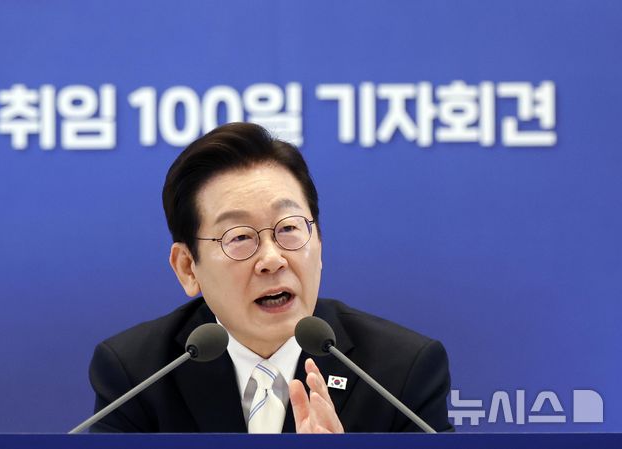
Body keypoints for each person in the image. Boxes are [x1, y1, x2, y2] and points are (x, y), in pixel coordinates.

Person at [88, 122, 453, 433]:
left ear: (319, 242)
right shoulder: (136, 376)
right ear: (187, 267)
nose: (272, 260)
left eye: (289, 228)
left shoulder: (400, 372)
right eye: (239, 237)